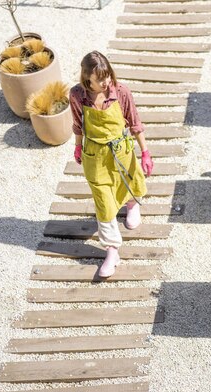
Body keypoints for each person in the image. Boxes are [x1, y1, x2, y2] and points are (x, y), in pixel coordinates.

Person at [69, 51, 154, 278]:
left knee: (126, 181)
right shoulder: (77, 96)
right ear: (88, 78)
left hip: (120, 150)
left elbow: (135, 123)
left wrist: (145, 153)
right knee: (103, 205)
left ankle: (132, 204)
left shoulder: (121, 91)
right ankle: (112, 251)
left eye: (108, 75)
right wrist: (78, 146)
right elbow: (78, 125)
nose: (106, 82)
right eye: (101, 78)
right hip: (95, 155)